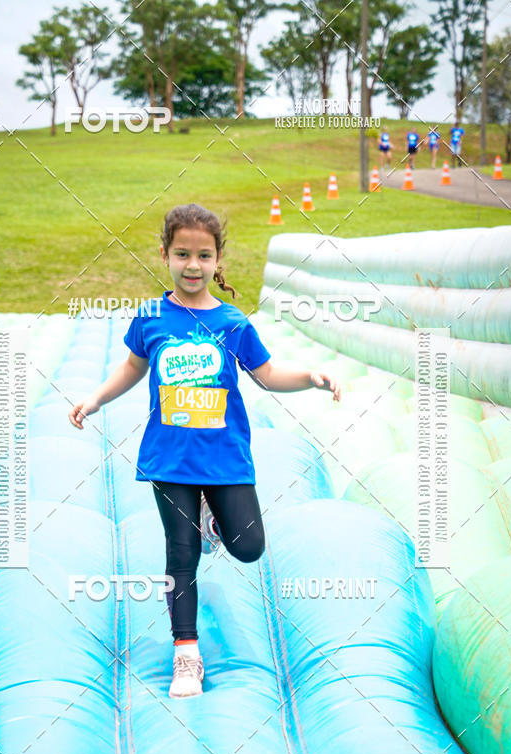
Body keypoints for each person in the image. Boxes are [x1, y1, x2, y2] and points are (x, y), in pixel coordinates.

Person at [68, 203, 342, 699]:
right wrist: (94, 398)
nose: (192, 265)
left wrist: (311, 378)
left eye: (203, 255)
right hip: (169, 458)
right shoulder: (151, 317)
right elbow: (131, 368)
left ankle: (213, 517)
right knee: (182, 554)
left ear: (218, 261)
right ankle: (186, 654)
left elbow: (267, 373)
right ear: (165, 255)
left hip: (225, 458)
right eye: (182, 254)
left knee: (248, 546)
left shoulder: (233, 323)